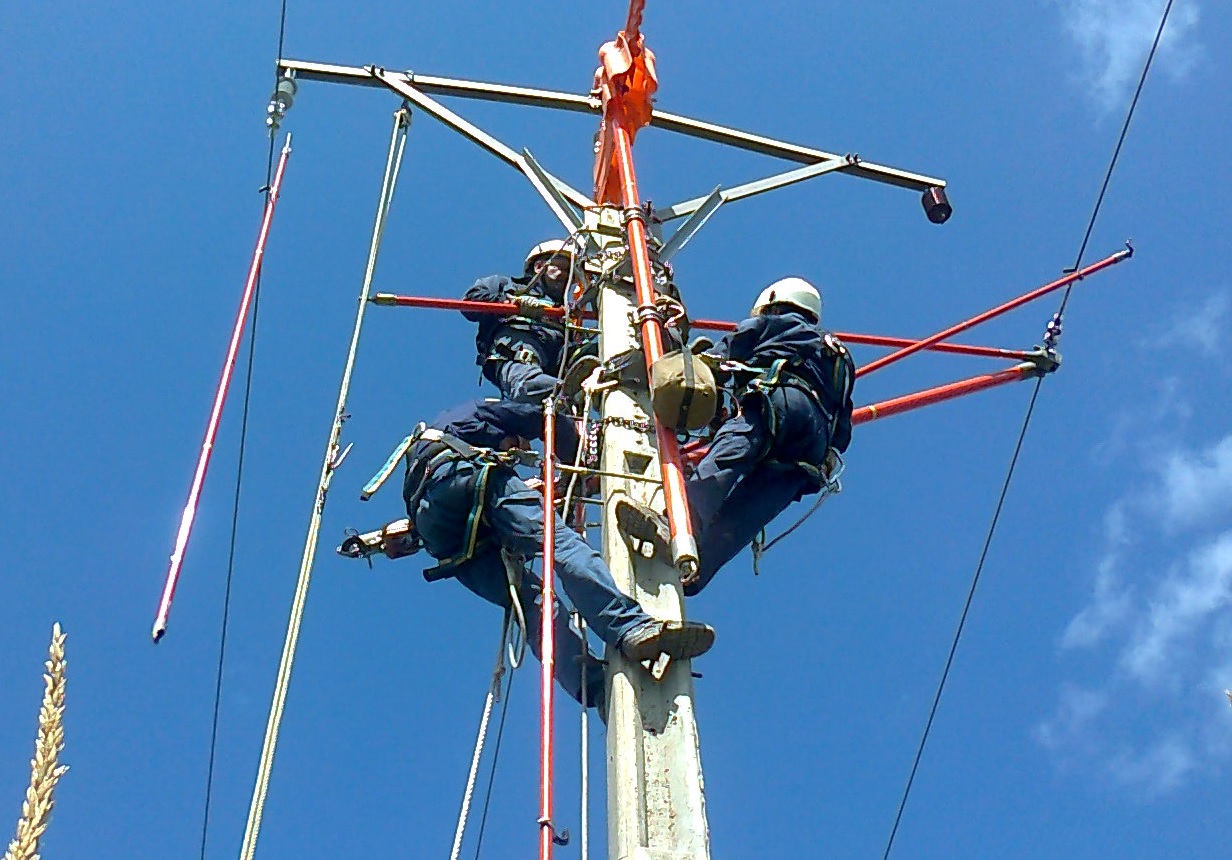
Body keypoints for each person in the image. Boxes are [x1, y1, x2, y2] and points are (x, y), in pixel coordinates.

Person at [404, 397, 716, 708]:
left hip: (436, 530)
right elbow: (535, 413)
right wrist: (576, 460)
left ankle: (594, 689)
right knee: (560, 544)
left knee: (529, 605)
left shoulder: (422, 449)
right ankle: (629, 627)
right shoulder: (472, 411)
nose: (514, 454)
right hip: (468, 477)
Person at [617, 277, 855, 595]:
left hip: (778, 405)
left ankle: (674, 524)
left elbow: (719, 359)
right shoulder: (839, 355)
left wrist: (674, 369)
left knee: (726, 459)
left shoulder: (771, 323)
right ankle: (697, 569)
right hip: (813, 447)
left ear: (772, 299)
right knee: (746, 515)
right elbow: (843, 427)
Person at [462, 240, 581, 405]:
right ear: (539, 267)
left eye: (570, 272)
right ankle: (567, 392)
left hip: (557, 360)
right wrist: (509, 303)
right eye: (559, 267)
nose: (565, 275)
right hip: (519, 355)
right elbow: (470, 305)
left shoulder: (567, 310)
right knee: (530, 386)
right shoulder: (506, 285)